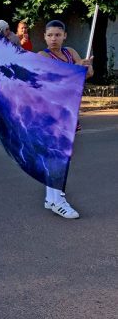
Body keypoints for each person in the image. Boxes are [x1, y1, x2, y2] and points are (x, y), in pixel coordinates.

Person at [38, 19, 93, 219]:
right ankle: (58, 200)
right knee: (58, 157)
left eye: (58, 35)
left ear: (64, 36)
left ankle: (50, 198)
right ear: (44, 36)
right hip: (50, 113)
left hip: (69, 111)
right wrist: (75, 70)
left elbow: (88, 75)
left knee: (60, 156)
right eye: (50, 35)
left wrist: (85, 66)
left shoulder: (71, 53)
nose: (54, 39)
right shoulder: (42, 56)